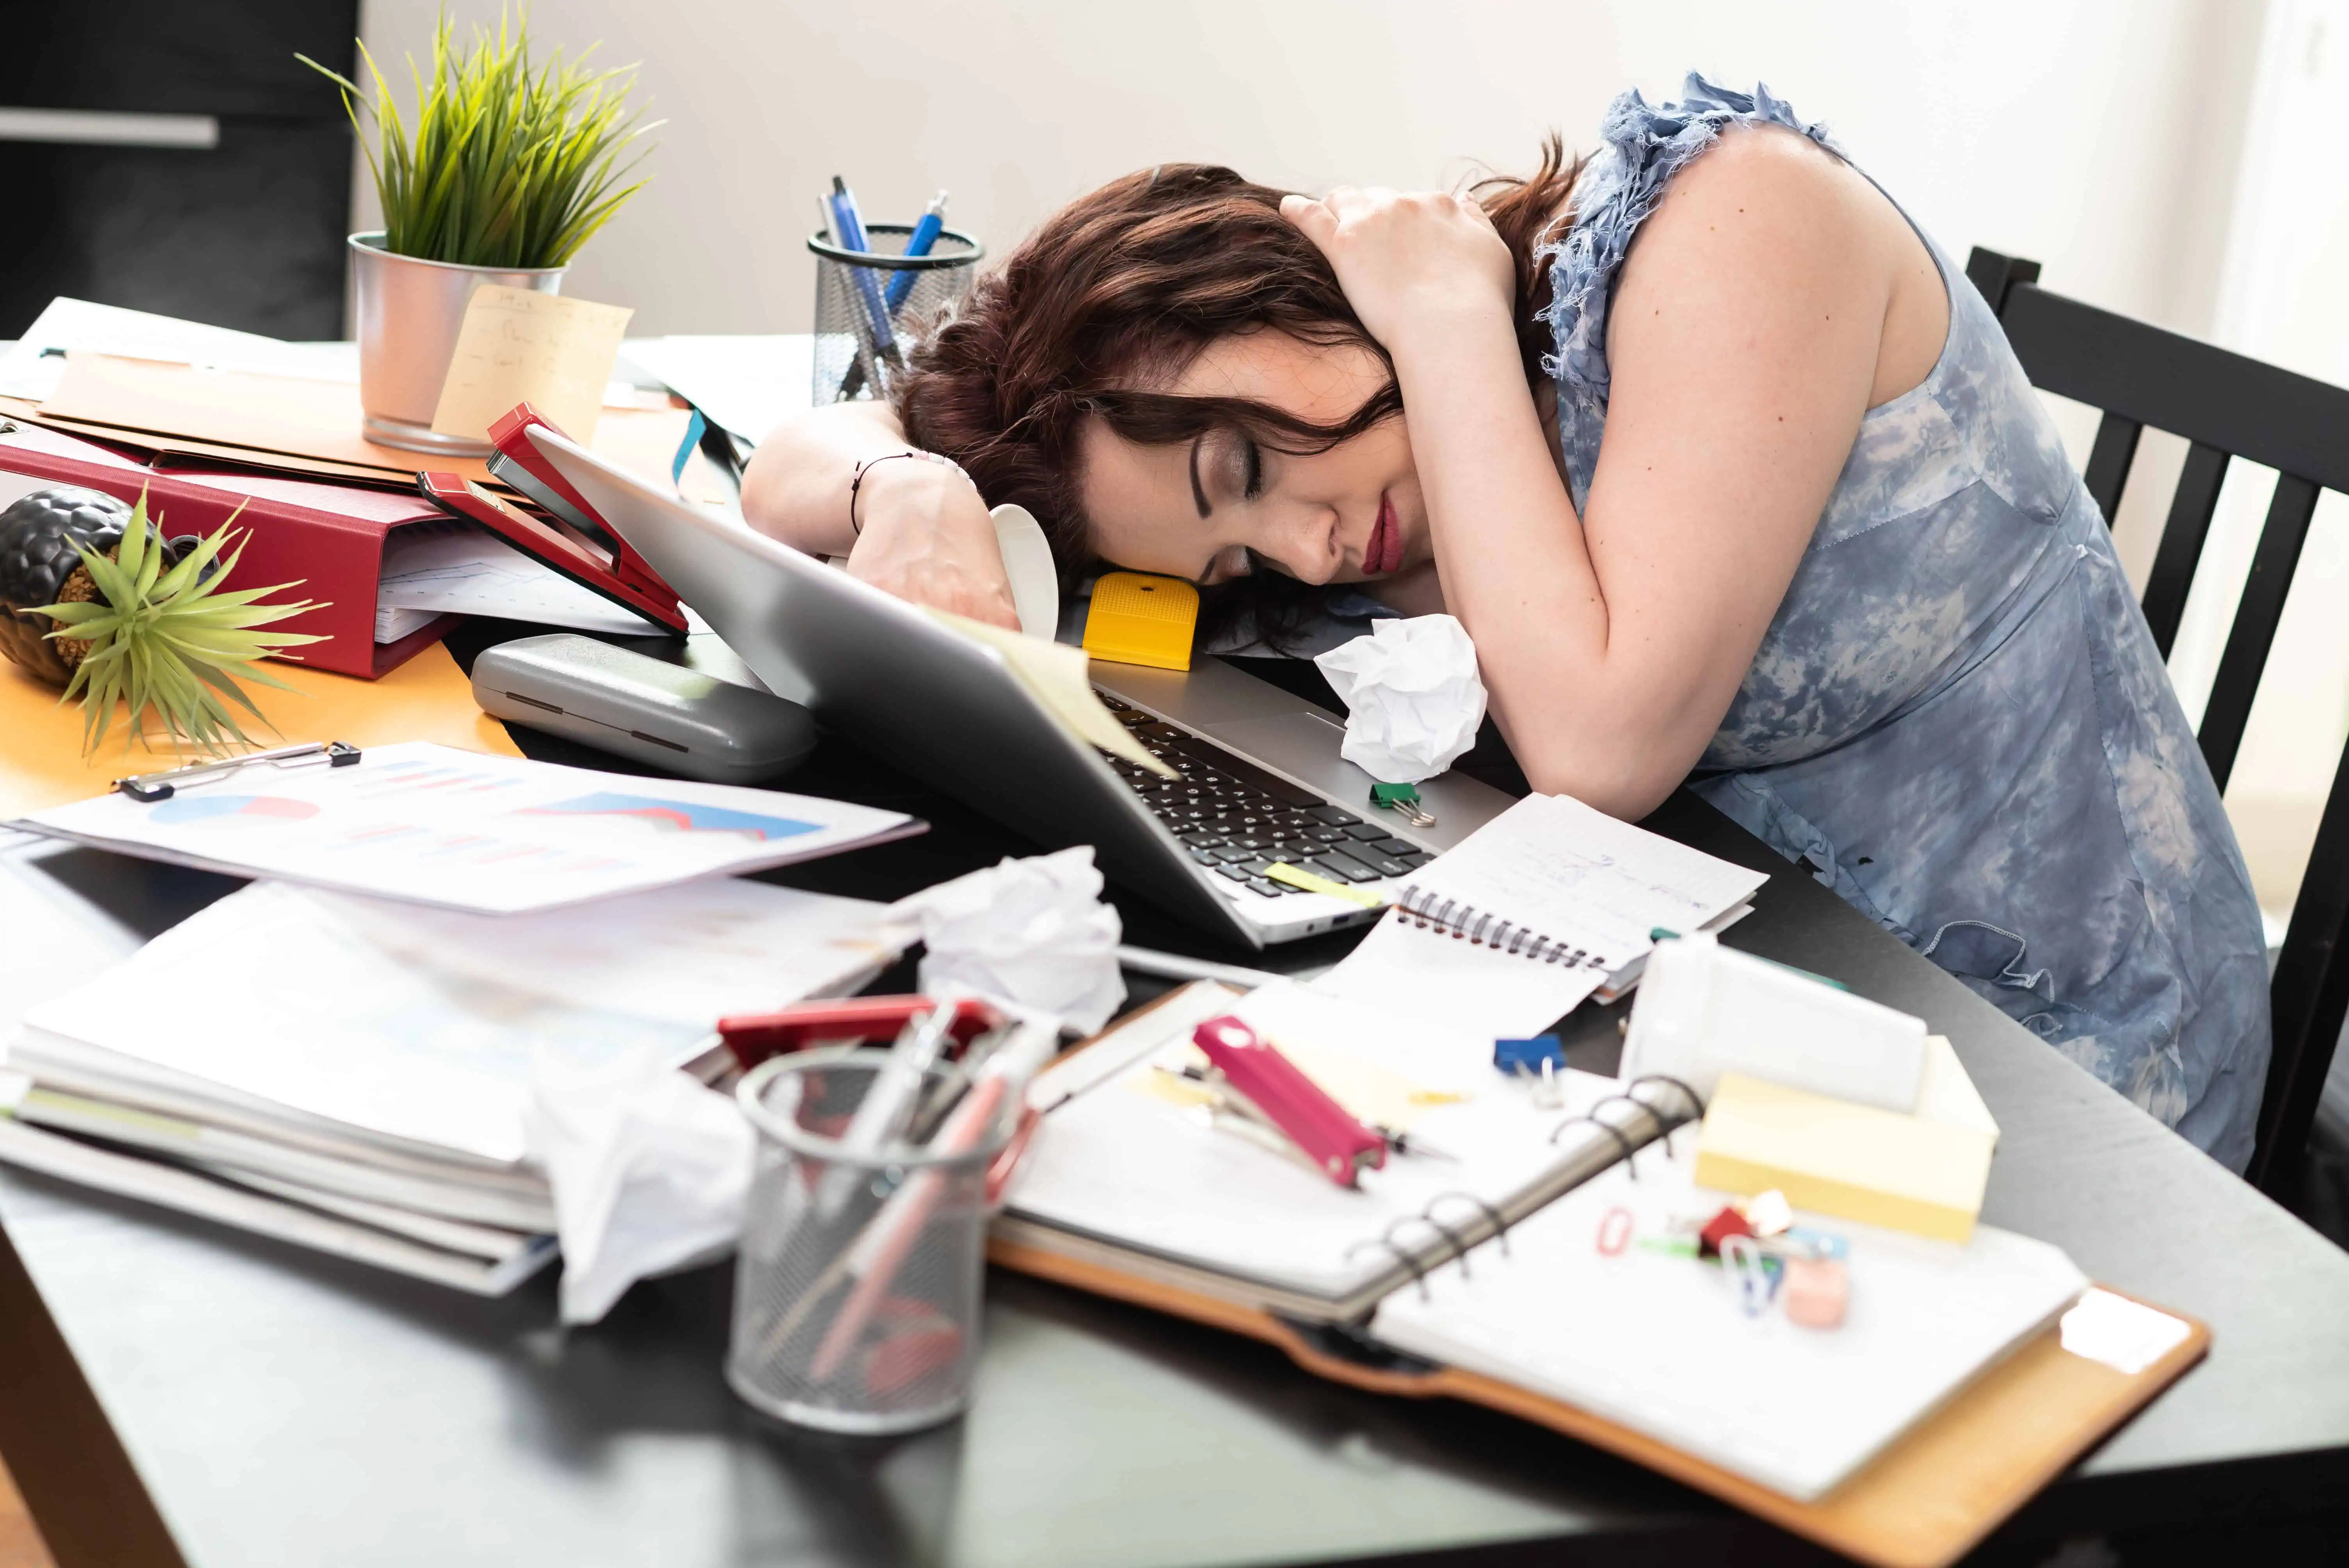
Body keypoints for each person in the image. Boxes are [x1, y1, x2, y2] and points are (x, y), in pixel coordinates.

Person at [742, 74, 2272, 1169]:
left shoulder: (1735, 215)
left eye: (1246, 464)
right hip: (1721, 1016)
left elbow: (1597, 747)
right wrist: (909, 484)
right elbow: (779, 469)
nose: (1303, 539)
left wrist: (1452, 310)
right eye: (1230, 557)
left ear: (1268, 276)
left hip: (2060, 1086)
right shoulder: (1385, 456)